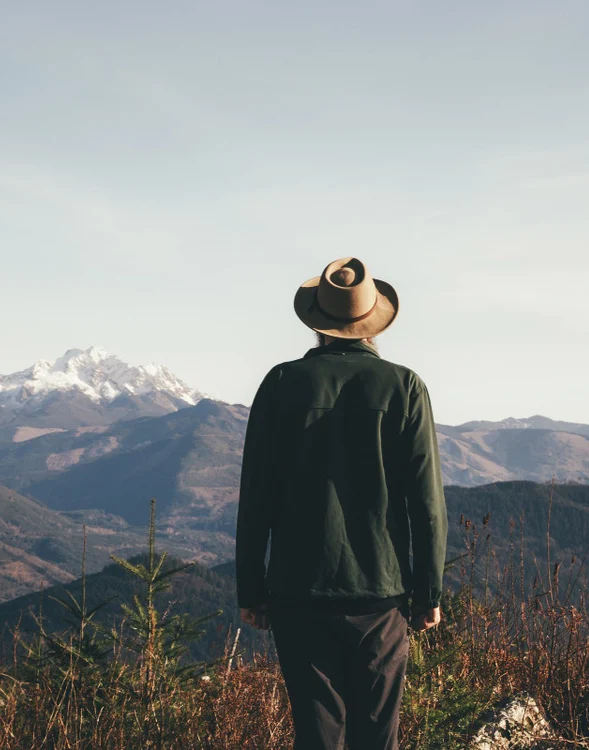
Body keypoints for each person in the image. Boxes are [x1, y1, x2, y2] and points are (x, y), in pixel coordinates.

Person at [236, 257, 448, 750]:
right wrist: (429, 593)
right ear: (373, 322)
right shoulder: (405, 387)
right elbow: (427, 503)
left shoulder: (282, 384)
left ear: (318, 324)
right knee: (378, 734)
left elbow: (256, 496)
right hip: (382, 593)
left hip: (297, 591)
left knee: (317, 734)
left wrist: (251, 588)